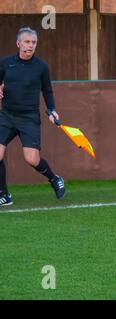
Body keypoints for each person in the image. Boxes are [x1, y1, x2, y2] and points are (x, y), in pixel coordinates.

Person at [0, 27, 65, 207]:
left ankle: (54, 179)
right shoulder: (5, 63)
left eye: (33, 42)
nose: (30, 46)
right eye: (27, 42)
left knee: (32, 160)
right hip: (6, 116)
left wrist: (52, 110)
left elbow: (47, 90)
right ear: (18, 43)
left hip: (29, 117)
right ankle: (4, 195)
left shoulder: (41, 67)